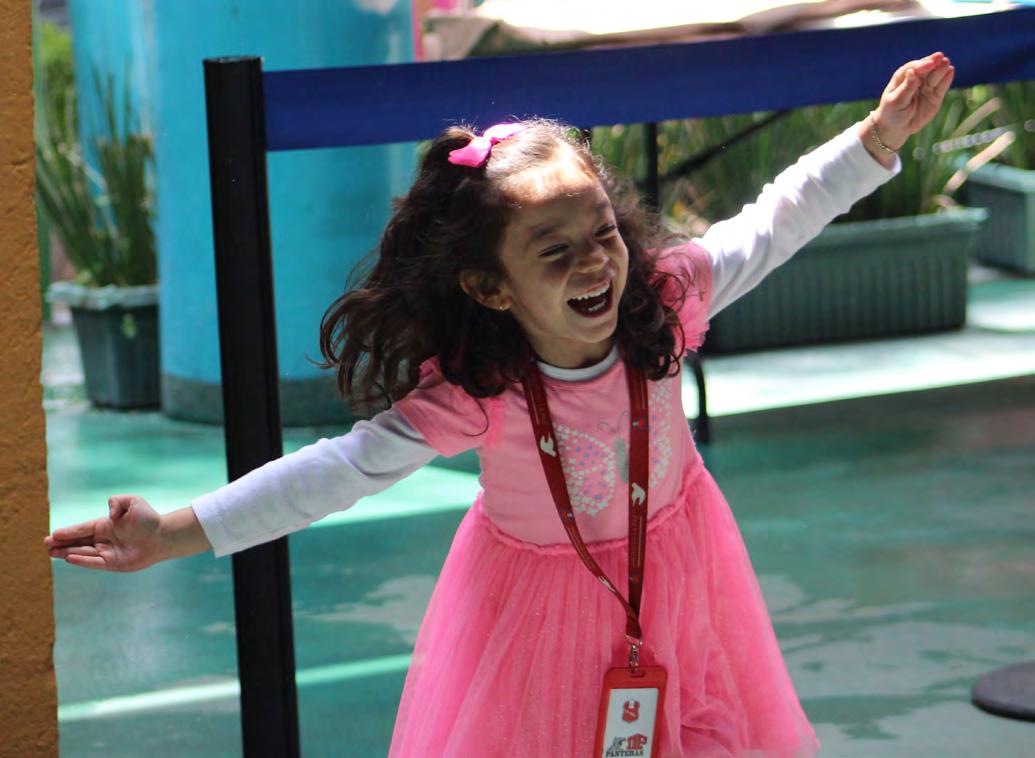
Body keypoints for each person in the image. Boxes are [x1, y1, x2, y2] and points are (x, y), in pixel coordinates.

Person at [44, 53, 955, 757]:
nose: (594, 261)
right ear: (489, 286)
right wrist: (173, 533)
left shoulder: (666, 298)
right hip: (535, 620)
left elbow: (775, 220)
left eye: (602, 232)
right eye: (553, 252)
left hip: (683, 571)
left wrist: (874, 142)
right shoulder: (478, 393)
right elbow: (333, 473)